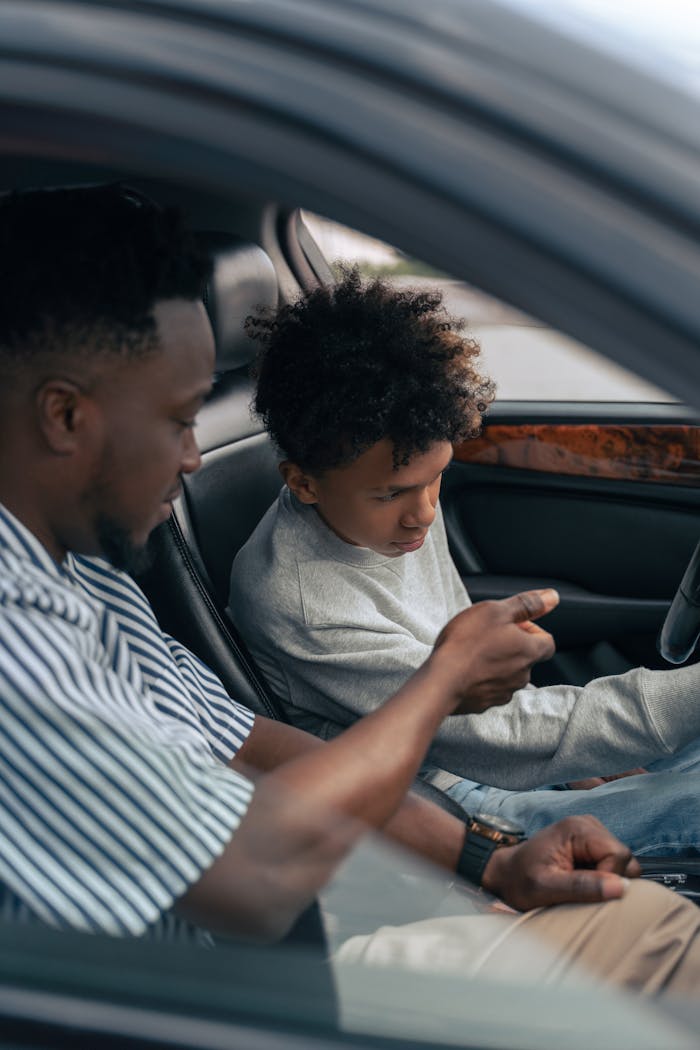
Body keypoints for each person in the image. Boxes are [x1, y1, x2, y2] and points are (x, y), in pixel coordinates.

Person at [2, 184, 700, 1000]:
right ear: (63, 416)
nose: (194, 456)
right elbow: (252, 877)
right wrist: (442, 683)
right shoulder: (16, 631)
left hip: (313, 904)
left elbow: (250, 743)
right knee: (671, 941)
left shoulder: (87, 579)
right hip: (224, 989)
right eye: (179, 418)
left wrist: (487, 859)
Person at [229, 267, 700, 857]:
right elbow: (487, 737)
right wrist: (553, 760)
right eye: (393, 494)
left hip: (495, 750)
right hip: (445, 801)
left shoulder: (379, 512)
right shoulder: (302, 603)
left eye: (437, 481)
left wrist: (568, 766)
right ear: (303, 483)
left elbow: (474, 681)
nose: (423, 514)